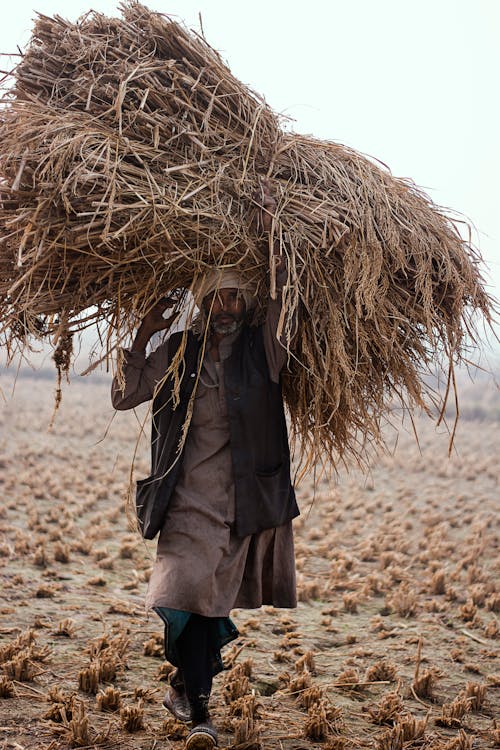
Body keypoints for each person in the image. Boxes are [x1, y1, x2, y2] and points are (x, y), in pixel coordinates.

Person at [111, 183, 299, 750]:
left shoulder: (262, 351)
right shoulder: (178, 352)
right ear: (202, 303)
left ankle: (187, 691)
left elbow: (285, 302)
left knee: (208, 603)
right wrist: (144, 331)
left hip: (241, 500)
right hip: (185, 497)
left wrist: (269, 231)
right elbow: (125, 395)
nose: (227, 308)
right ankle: (200, 714)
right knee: (182, 589)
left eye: (237, 299)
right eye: (218, 298)